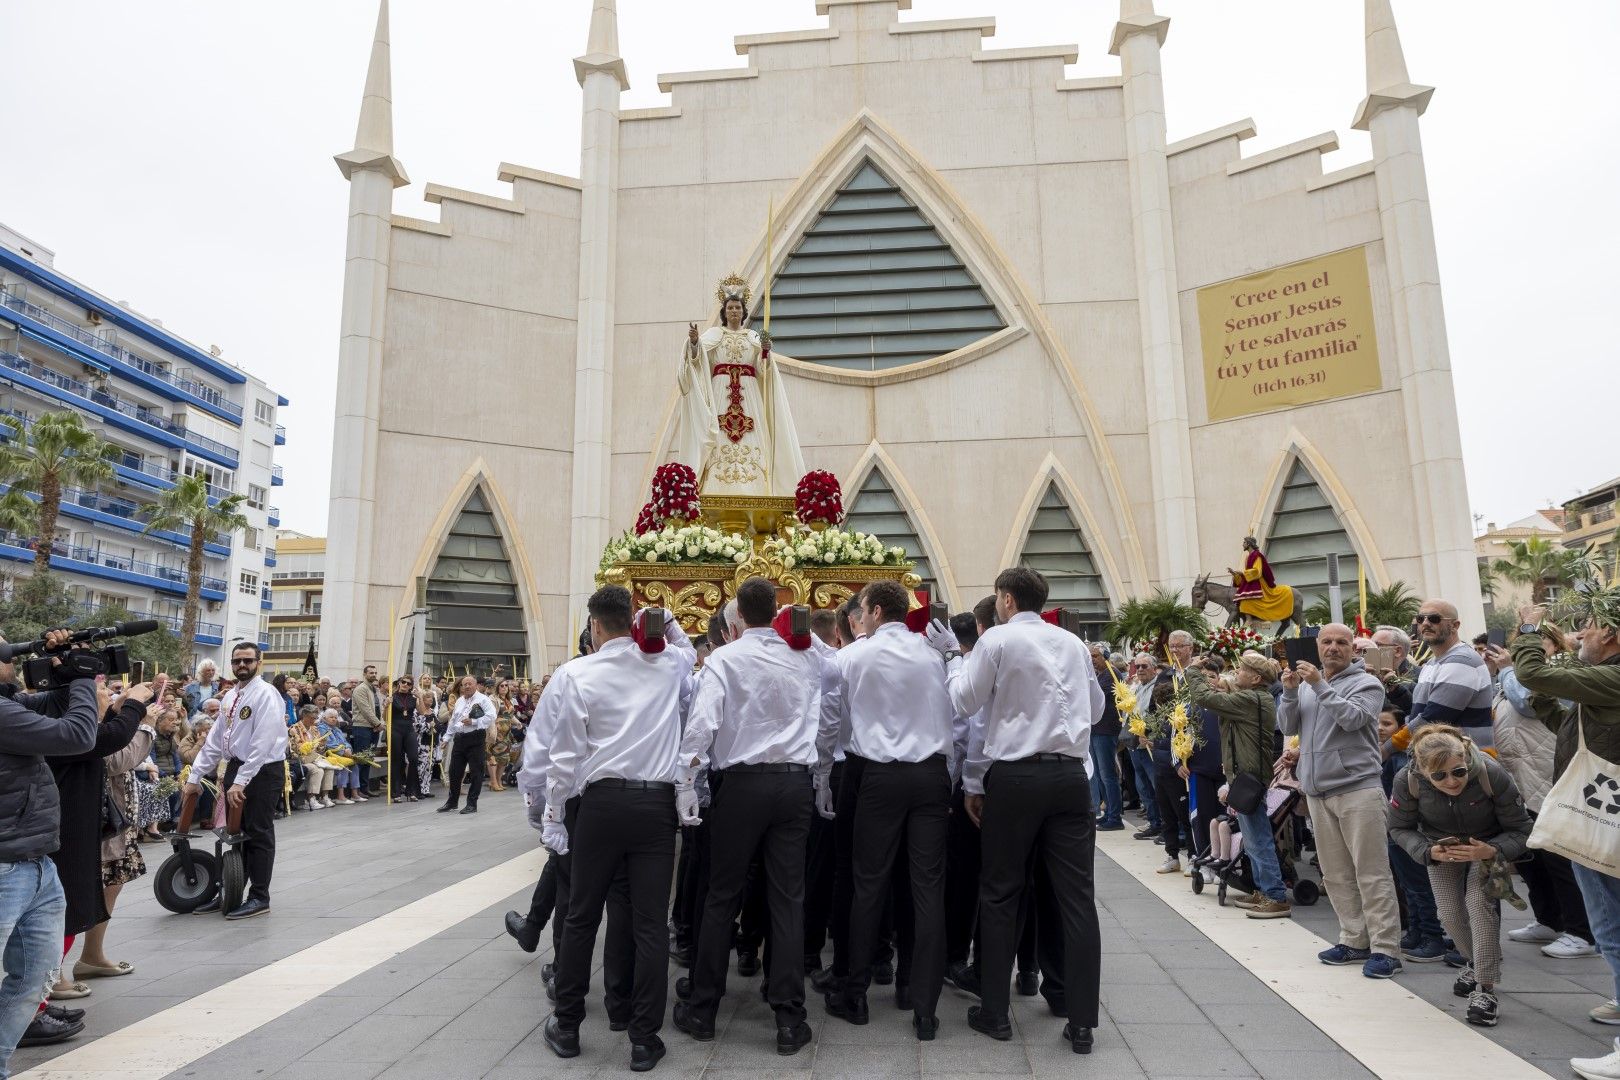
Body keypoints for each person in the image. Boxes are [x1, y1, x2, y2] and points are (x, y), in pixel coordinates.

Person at [939, 567, 1102, 1055]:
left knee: (1001, 890)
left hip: (1017, 776)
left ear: (1006, 600)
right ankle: (1081, 1021)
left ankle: (994, 1011)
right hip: (1071, 778)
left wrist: (954, 664)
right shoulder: (1072, 643)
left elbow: (965, 701)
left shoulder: (997, 641)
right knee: (1077, 898)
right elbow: (1093, 710)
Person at [672, 577, 836, 1054]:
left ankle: (704, 1008)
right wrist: (808, 638)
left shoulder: (724, 658)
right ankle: (789, 1016)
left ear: (738, 618)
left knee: (723, 893)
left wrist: (685, 780)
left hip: (742, 785)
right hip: (792, 784)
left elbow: (703, 724)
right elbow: (839, 676)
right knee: (788, 897)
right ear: (779, 611)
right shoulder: (805, 656)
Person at [536, 590, 695, 1072]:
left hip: (601, 803)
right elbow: (688, 650)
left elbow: (563, 757)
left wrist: (553, 814)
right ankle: (643, 1037)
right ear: (632, 621)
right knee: (650, 924)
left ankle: (567, 1025)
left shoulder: (576, 673)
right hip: (654, 805)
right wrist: (664, 620)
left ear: (594, 626)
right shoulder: (669, 664)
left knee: (582, 915)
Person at [820, 580, 953, 1042]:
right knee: (926, 888)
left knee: (868, 884)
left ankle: (853, 993)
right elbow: (949, 711)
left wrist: (824, 770)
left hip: (879, 774)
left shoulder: (853, 656)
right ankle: (922, 1003)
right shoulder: (932, 655)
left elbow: (833, 720)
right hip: (931, 775)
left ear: (875, 611)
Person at [1508, 603, 1620, 1044]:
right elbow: (1566, 726)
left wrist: (1531, 630)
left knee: (1608, 917)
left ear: (1610, 633)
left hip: (1600, 817)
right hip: (1596, 812)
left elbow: (1533, 673)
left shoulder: (1613, 676)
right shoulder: (1604, 682)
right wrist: (1541, 696)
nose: (1579, 637)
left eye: (1586, 629)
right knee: (1607, 912)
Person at [0, 631, 107, 1067]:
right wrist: (82, 680)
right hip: (7, 866)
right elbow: (78, 735)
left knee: (34, 979)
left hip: (36, 863)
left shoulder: (8, 708)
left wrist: (63, 674)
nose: (13, 653)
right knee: (29, 977)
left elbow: (48, 709)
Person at [1278, 623, 1403, 978]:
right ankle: (1353, 939)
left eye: (1341, 643)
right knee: (1334, 874)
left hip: (1357, 788)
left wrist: (1319, 684)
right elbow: (1288, 728)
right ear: (1317, 646)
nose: (1333, 648)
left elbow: (1353, 719)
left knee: (1371, 872)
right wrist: (1289, 693)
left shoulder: (1368, 683)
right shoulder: (1304, 685)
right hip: (1318, 792)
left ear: (1354, 650)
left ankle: (1386, 949)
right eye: (1327, 642)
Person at [1388, 724, 1531, 1027]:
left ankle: (1485, 989)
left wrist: (1491, 850)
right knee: (1449, 914)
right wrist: (1427, 851)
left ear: (1466, 760)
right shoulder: (1407, 779)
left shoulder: (1490, 773)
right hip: (1442, 846)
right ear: (1424, 772)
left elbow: (1521, 828)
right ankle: (1476, 962)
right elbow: (1399, 827)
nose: (1451, 781)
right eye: (1439, 776)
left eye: (1459, 772)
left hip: (1488, 845)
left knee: (1480, 909)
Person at [1482, 642, 1596, 960]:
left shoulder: (1558, 674)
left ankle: (1581, 932)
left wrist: (1507, 669)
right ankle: (1550, 919)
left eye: (1529, 643)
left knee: (1557, 858)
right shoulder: (1515, 676)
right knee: (1532, 857)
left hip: (1543, 775)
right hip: (1520, 776)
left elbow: (1526, 704)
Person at [671, 274, 806, 496]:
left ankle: (755, 487)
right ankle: (715, 487)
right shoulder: (714, 335)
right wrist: (694, 343)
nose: (734, 311)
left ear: (744, 312)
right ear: (724, 312)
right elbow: (698, 361)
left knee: (754, 438)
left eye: (738, 308)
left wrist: (764, 351)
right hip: (720, 392)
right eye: (731, 308)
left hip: (748, 393)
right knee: (718, 437)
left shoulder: (753, 336)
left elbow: (764, 371)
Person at [183, 642, 288, 920]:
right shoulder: (230, 696)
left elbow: (263, 742)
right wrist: (194, 777)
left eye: (248, 661)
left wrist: (241, 782)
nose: (242, 665)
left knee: (259, 833)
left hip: (263, 771)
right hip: (236, 768)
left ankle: (259, 897)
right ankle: (231, 893)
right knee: (236, 833)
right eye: (237, 661)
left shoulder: (267, 694)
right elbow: (216, 741)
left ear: (259, 662)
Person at [1184, 652, 1290, 918]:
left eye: (1241, 669)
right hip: (1245, 776)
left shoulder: (1251, 698)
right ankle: (1264, 891)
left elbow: (1205, 697)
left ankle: (1275, 896)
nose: (1236, 672)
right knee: (1253, 840)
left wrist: (1194, 671)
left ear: (1255, 678)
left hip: (1249, 778)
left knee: (1258, 839)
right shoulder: (1253, 697)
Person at [1394, 600, 1496, 753]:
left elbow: (1432, 719)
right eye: (1421, 619)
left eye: (1434, 619)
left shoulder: (1462, 660)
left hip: (1465, 764)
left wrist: (1386, 750)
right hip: (1437, 759)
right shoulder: (1431, 663)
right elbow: (1417, 712)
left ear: (1455, 625)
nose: (1426, 623)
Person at [439, 676, 497, 814]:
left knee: (476, 772)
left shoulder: (483, 699)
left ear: (476, 685)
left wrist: (474, 722)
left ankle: (472, 804)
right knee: (454, 771)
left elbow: (491, 716)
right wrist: (446, 738)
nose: (467, 686)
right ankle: (452, 802)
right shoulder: (459, 700)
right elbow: (453, 721)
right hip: (459, 739)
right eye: (464, 684)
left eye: (470, 684)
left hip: (475, 738)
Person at [1089, 645, 1124, 832]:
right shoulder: (1098, 674)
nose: (1092, 659)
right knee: (1100, 775)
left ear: (1105, 657)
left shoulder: (1111, 673)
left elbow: (1094, 695)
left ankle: (1115, 816)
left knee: (1108, 774)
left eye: (1095, 656)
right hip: (1095, 728)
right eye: (1090, 656)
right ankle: (1108, 811)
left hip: (1106, 729)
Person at [1226, 536, 1295, 626]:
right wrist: (1235, 573)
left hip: (1258, 582)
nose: (1242, 544)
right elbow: (1246, 575)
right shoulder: (1248, 557)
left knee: (1245, 600)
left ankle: (1251, 620)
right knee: (1243, 600)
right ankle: (1250, 619)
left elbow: (1257, 571)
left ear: (1249, 544)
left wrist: (1243, 573)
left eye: (1244, 543)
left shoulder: (1257, 555)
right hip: (1251, 581)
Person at [350, 664, 383, 796]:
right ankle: (356, 790)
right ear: (364, 674)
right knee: (362, 759)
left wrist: (377, 724)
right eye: (371, 673)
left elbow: (376, 708)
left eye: (375, 673)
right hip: (362, 727)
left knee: (368, 759)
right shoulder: (361, 689)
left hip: (372, 728)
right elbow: (365, 709)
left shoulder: (373, 689)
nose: (374, 675)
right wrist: (378, 723)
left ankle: (364, 788)